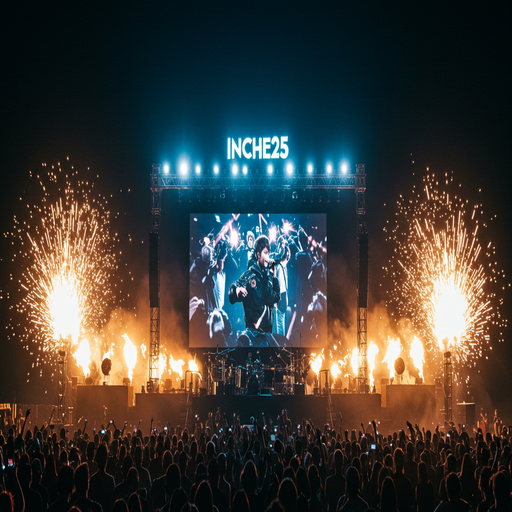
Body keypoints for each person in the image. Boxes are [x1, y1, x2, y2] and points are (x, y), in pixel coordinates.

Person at [229, 235, 281, 346]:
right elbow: (232, 290)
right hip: (253, 333)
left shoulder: (268, 278)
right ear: (258, 254)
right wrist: (237, 290)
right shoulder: (249, 275)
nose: (267, 256)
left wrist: (274, 276)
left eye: (268, 253)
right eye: (265, 253)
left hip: (267, 334)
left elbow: (276, 298)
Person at [274, 242, 291, 337]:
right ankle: (281, 343)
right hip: (280, 298)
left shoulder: (284, 268)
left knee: (282, 327)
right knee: (280, 328)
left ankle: (282, 342)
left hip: (284, 298)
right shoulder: (279, 268)